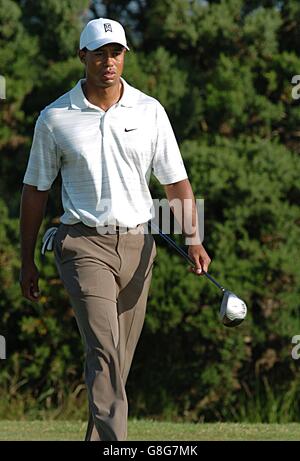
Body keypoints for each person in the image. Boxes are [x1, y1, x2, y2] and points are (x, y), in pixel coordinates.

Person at [19, 18, 211, 441]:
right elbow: (35, 191)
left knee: (117, 358)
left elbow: (175, 181)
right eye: (100, 53)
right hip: (82, 245)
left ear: (125, 55)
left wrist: (193, 237)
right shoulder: (55, 118)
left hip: (140, 245)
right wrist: (26, 259)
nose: (110, 62)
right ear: (82, 56)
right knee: (105, 351)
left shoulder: (149, 110)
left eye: (117, 52)